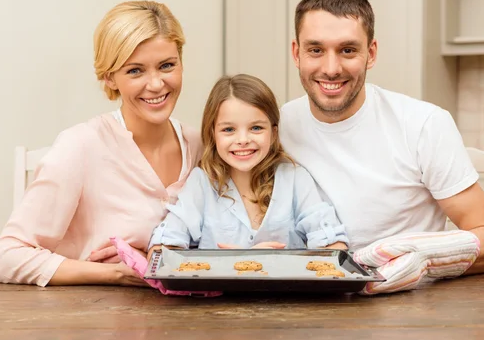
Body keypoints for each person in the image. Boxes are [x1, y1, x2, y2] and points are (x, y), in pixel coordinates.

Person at [279, 0, 484, 293]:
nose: (331, 69)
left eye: (347, 50)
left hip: (409, 309)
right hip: (307, 307)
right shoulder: (275, 128)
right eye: (316, 50)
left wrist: (420, 258)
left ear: (370, 53)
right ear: (297, 53)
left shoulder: (423, 124)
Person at [0, 0, 201, 287]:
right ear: (109, 77)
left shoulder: (201, 145)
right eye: (135, 71)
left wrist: (151, 257)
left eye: (166, 65)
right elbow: (6, 258)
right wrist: (116, 273)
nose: (155, 84)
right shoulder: (81, 146)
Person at [149, 74, 349, 251]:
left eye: (256, 128)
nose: (243, 139)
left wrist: (276, 262)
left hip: (287, 295)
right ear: (213, 134)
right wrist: (234, 263)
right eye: (228, 130)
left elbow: (335, 246)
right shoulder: (202, 183)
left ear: (274, 133)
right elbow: (161, 249)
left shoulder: (294, 178)